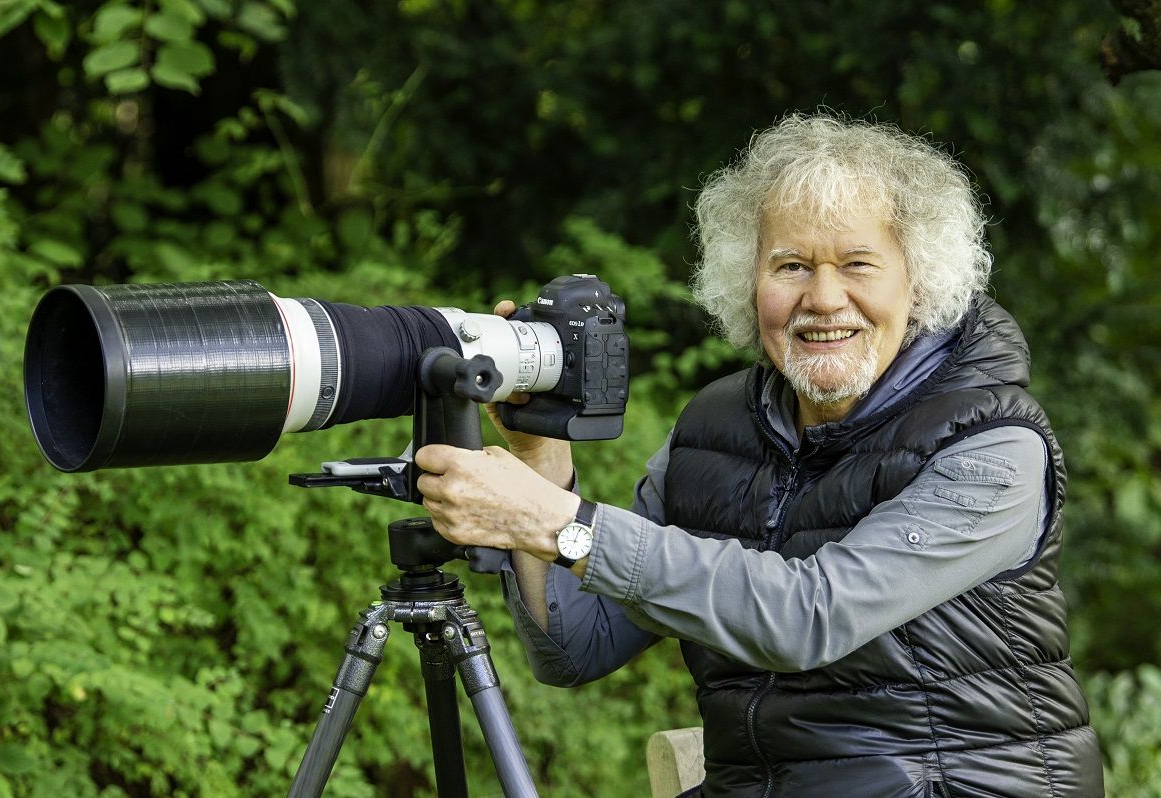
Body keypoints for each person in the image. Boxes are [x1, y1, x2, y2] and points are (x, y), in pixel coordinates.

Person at [414, 113, 1103, 797]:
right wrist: (538, 456)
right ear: (747, 280)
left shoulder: (994, 448)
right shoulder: (716, 429)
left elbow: (811, 617)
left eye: (858, 264)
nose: (824, 298)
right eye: (791, 266)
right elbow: (576, 647)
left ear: (919, 284)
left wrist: (556, 522)